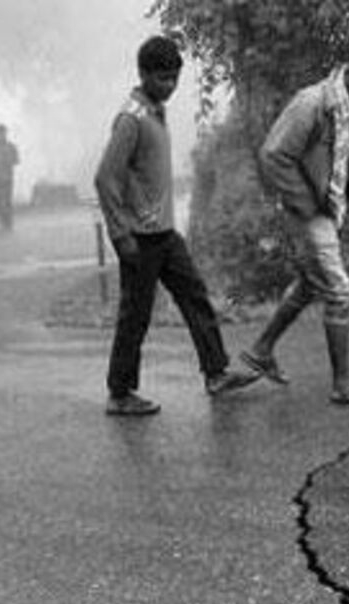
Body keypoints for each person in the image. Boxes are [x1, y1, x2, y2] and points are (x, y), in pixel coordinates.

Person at [93, 36, 259, 416]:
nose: (169, 86)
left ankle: (216, 373)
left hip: (165, 235)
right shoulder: (131, 118)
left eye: (174, 79)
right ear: (143, 74)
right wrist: (120, 234)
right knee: (135, 316)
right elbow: (105, 178)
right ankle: (120, 393)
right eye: (162, 78)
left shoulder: (156, 111)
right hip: (139, 239)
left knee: (195, 296)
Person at [239, 48, 349, 406]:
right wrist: (307, 205)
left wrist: (339, 206)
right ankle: (342, 385)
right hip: (309, 213)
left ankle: (261, 349)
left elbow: (344, 160)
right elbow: (273, 155)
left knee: (309, 285)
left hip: (328, 213)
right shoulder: (312, 104)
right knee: (339, 293)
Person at [0, 123, 20, 231]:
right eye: (0, 133)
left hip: (8, 176)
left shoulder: (11, 146)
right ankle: (2, 218)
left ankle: (8, 221)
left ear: (6, 133)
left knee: (7, 199)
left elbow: (17, 160)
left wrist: (8, 160)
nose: (2, 135)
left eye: (3, 133)